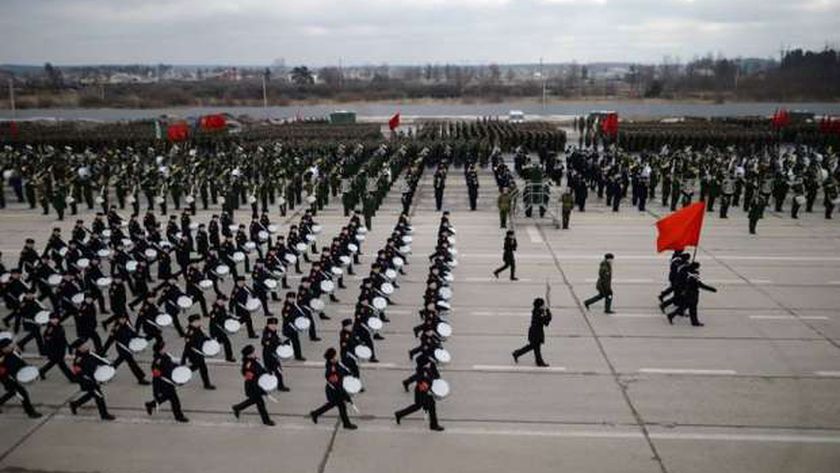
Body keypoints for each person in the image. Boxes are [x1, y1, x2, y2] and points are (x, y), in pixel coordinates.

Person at [309, 347, 357, 430]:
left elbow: (342, 371)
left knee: (332, 405)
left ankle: (315, 413)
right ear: (331, 359)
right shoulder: (331, 370)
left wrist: (349, 373)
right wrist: (345, 395)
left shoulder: (336, 364)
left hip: (337, 390)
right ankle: (346, 424)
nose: (336, 357)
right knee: (340, 406)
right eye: (335, 356)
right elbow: (336, 384)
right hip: (334, 391)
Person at [394, 355, 444, 431]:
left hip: (425, 390)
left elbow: (436, 376)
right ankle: (433, 425)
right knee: (428, 406)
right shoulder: (421, 370)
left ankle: (399, 414)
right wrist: (425, 384)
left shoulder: (429, 367)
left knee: (419, 406)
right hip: (422, 391)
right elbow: (421, 381)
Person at [69, 339, 115, 420]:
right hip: (87, 381)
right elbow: (79, 373)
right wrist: (92, 381)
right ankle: (104, 415)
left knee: (92, 394)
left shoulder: (89, 353)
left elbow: (99, 360)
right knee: (99, 396)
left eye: (86, 344)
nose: (86, 346)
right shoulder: (78, 360)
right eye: (83, 345)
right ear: (79, 348)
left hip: (93, 378)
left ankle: (75, 404)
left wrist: (108, 365)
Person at [145, 340, 189, 423]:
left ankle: (150, 405)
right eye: (163, 348)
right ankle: (179, 416)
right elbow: (156, 377)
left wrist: (179, 366)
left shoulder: (165, 356)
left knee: (166, 397)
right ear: (159, 350)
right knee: (175, 400)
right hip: (164, 383)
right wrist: (156, 391)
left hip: (169, 381)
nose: (164, 349)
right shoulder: (157, 362)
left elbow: (171, 365)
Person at [232, 344, 274, 426]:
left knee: (253, 401)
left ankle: (237, 408)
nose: (255, 353)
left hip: (257, 385)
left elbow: (260, 370)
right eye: (253, 352)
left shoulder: (254, 360)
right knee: (260, 404)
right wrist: (261, 390)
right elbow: (252, 379)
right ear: (248, 355)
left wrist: (267, 372)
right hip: (253, 387)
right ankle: (266, 421)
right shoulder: (248, 366)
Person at [0, 339, 42, 418]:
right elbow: (3, 372)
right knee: (22, 394)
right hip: (9, 380)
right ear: (3, 348)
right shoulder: (1, 358)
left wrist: (28, 367)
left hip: (15, 378)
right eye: (9, 346)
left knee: (13, 393)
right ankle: (30, 412)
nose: (12, 346)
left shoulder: (13, 353)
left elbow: (20, 362)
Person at [668, 262, 717, 327]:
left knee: (685, 307)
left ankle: (671, 315)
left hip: (688, 293)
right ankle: (694, 322)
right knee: (692, 308)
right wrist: (711, 289)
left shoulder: (689, 273)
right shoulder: (693, 275)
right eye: (698, 267)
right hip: (692, 294)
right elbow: (700, 285)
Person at [512, 297, 552, 367]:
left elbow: (546, 322)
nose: (544, 305)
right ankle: (539, 362)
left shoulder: (538, 311)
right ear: (540, 305)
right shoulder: (538, 313)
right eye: (543, 304)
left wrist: (546, 313)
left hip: (535, 332)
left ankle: (517, 353)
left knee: (533, 347)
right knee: (535, 348)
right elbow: (546, 322)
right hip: (535, 333)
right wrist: (548, 311)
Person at [181, 315, 216, 390]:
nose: (199, 322)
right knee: (202, 368)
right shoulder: (189, 332)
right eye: (197, 321)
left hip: (199, 352)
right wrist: (183, 358)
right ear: (192, 322)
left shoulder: (198, 328)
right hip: (193, 354)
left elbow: (202, 337)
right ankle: (206, 384)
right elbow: (187, 346)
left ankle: (183, 375)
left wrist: (208, 339)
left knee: (197, 367)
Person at [39, 312, 75, 382]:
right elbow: (48, 340)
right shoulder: (50, 329)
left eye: (56, 318)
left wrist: (68, 346)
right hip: (55, 350)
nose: (55, 320)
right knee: (62, 364)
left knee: (53, 363)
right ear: (50, 320)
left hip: (61, 348)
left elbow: (63, 338)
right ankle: (72, 378)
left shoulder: (59, 326)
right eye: (53, 319)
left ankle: (41, 371)